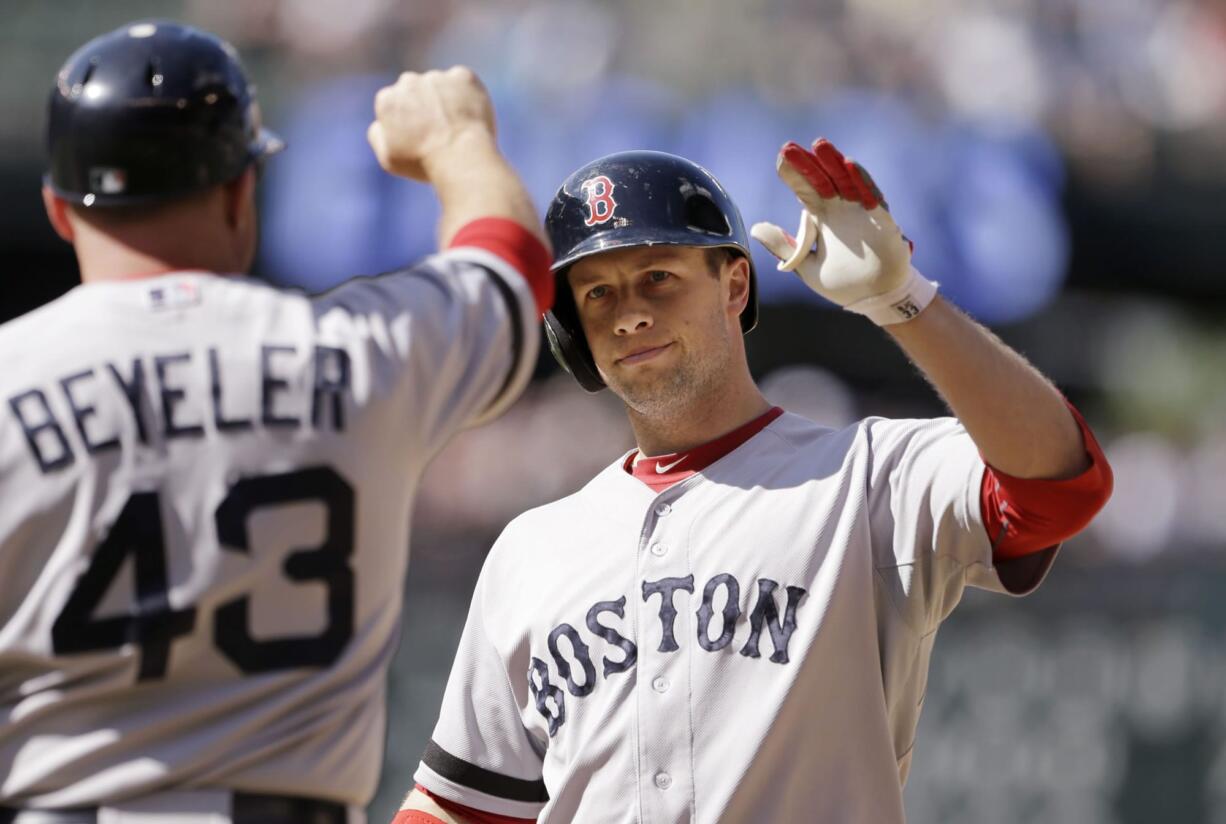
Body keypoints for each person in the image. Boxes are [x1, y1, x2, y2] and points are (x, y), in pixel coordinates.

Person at [392, 142, 1113, 823]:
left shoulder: (867, 478)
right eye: (598, 294)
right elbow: (459, 805)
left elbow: (1061, 482)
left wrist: (905, 302)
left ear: (734, 282)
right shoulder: (531, 550)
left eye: (659, 278)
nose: (630, 313)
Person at [0, 20, 551, 824]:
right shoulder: (359, 351)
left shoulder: (10, 379)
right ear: (240, 190)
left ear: (58, 209)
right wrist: (457, 140)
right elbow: (512, 270)